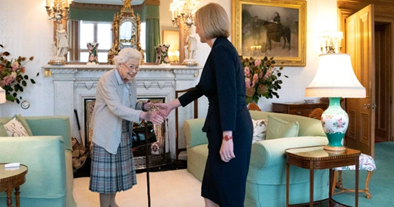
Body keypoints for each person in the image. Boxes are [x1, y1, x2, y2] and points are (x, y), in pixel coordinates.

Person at [155, 3, 253, 207]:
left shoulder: (221, 51)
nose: (196, 29)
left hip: (230, 126)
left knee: (227, 191)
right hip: (223, 125)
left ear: (208, 24)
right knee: (211, 187)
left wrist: (228, 137)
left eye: (198, 24)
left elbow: (228, 96)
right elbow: (202, 87)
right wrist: (171, 105)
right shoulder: (218, 49)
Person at [89, 48, 164, 207]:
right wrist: (143, 116)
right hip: (107, 132)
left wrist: (143, 106)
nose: (134, 71)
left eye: (137, 67)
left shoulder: (131, 81)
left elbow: (129, 105)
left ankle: (112, 203)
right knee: (107, 178)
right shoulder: (107, 79)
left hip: (123, 130)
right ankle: (105, 206)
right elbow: (115, 107)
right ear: (120, 64)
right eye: (131, 66)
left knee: (115, 173)